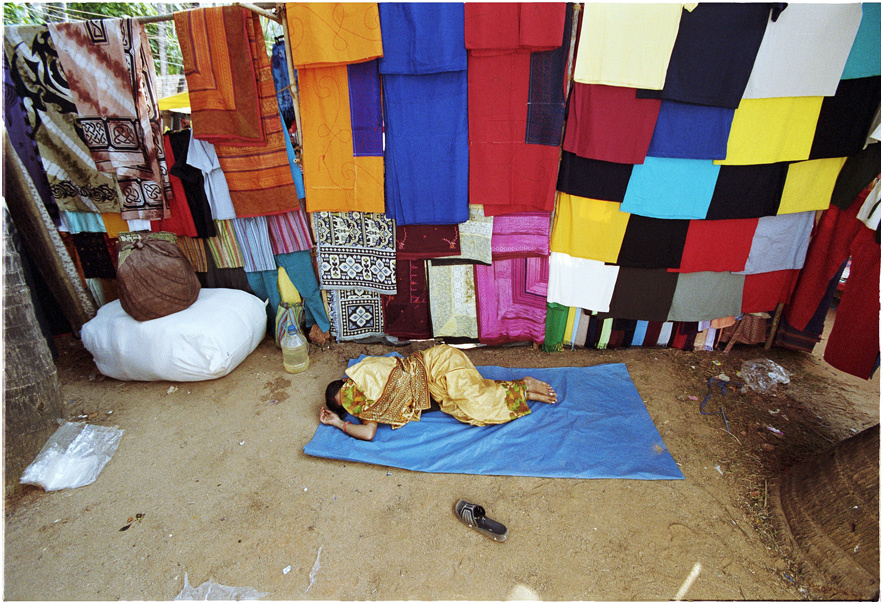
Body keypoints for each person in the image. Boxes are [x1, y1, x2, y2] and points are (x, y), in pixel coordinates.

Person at [318, 344, 558, 441]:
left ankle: (524, 386)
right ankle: (524, 392)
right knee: (473, 413)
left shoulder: (363, 370)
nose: (353, 397)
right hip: (439, 392)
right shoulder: (364, 408)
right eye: (347, 403)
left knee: (475, 400)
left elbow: (395, 370)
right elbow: (369, 433)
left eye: (348, 390)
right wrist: (338, 423)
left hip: (436, 364)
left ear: (346, 380)